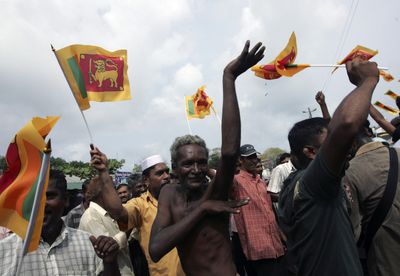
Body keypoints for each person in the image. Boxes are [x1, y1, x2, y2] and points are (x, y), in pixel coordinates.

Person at [148, 41, 264, 276]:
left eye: (202, 162)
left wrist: (229, 77)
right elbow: (156, 248)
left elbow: (230, 152)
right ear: (175, 169)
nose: (197, 169)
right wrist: (202, 210)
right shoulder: (169, 194)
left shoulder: (215, 191)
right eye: (188, 164)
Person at [278, 58, 379, 276]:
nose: (346, 148)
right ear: (310, 152)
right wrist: (368, 81)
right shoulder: (313, 184)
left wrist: (324, 106)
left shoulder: (296, 183)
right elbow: (345, 126)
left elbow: (334, 130)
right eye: (331, 146)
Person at [0, 170, 120, 276]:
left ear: (66, 200)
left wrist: (110, 263)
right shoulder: (4, 252)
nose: (41, 203)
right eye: (34, 197)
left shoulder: (88, 244)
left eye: (49, 196)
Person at [89, 152, 184, 276]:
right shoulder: (140, 205)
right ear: (146, 180)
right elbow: (118, 212)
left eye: (167, 172)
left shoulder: (184, 198)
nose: (166, 176)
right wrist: (103, 172)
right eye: (160, 173)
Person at [343, 125, 400, 276]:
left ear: (352, 144)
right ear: (368, 133)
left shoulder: (350, 172)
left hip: (386, 252)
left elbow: (355, 227)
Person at [232, 144, 285, 275]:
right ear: (240, 160)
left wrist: (282, 236)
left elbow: (270, 212)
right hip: (258, 248)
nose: (254, 160)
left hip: (276, 245)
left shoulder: (261, 182)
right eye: (249, 157)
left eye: (255, 156)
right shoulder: (236, 181)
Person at [79, 176, 135, 276]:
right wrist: (128, 228)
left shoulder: (108, 213)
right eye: (112, 190)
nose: (116, 194)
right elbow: (108, 250)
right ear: (104, 194)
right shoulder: (91, 217)